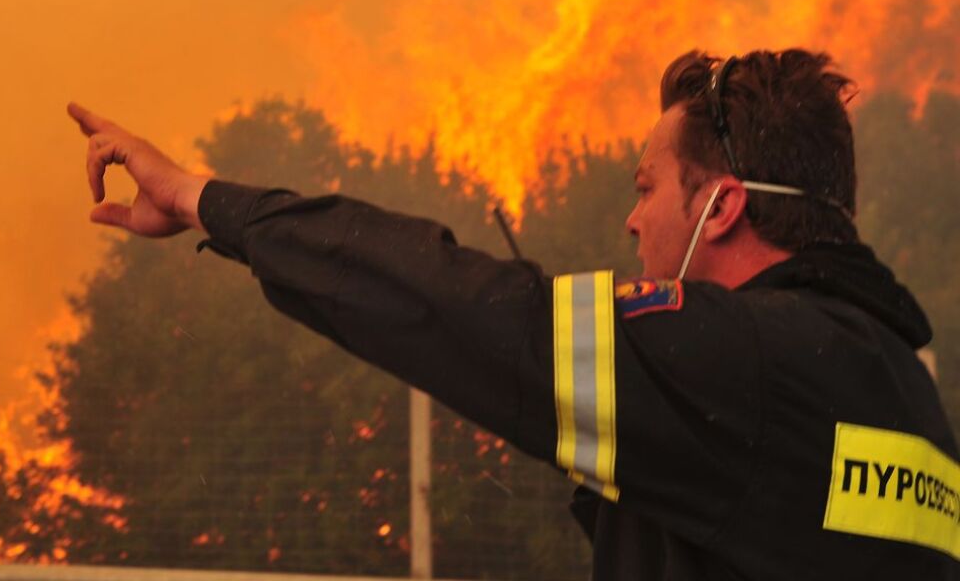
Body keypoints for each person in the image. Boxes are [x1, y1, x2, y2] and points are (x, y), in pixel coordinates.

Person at [68, 48, 959, 579]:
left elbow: (452, 306)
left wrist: (205, 199)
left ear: (723, 206)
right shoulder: (911, 404)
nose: (632, 219)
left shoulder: (739, 359)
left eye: (647, 188)